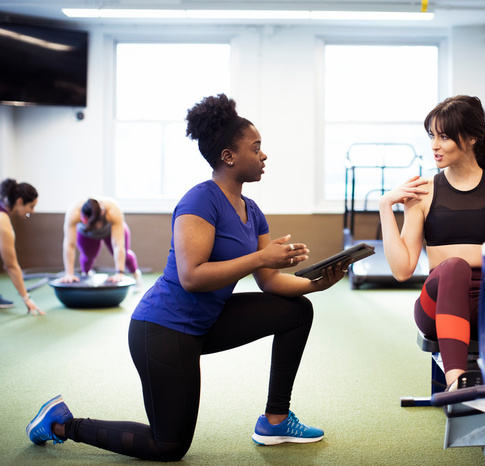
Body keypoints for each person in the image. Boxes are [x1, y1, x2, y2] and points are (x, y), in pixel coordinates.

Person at [26, 93, 350, 461]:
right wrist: (261, 255)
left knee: (297, 310)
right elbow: (192, 276)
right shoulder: (200, 201)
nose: (264, 155)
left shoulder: (253, 210)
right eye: (256, 148)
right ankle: (62, 424)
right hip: (163, 329)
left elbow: (270, 282)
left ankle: (275, 420)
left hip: (206, 322)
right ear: (228, 157)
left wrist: (315, 284)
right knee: (169, 446)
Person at [378, 95, 485, 391]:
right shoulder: (423, 192)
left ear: (472, 138)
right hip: (436, 305)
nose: (434, 145)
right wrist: (386, 205)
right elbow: (402, 270)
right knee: (454, 267)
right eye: (432, 136)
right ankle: (455, 382)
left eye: (444, 136)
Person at [60, 197, 142, 288]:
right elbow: (70, 245)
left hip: (110, 231)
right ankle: (86, 275)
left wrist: (120, 273)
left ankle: (135, 275)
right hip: (87, 234)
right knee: (88, 257)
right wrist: (69, 274)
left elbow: (118, 246)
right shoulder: (74, 212)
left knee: (125, 255)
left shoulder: (113, 211)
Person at [0, 179, 43, 316]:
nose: (32, 211)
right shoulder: (3, 221)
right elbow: (11, 266)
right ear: (19, 201)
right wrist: (26, 298)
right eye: (31, 206)